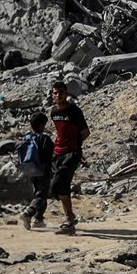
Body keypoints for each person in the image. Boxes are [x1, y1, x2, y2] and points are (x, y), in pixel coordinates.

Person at [49, 81, 89, 235]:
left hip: (71, 153)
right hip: (57, 153)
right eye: (56, 93)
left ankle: (69, 219)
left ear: (66, 94)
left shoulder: (74, 111)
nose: (58, 95)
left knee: (59, 184)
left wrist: (76, 148)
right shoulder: (53, 112)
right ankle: (69, 218)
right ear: (52, 95)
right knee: (59, 186)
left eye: (61, 92)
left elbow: (85, 132)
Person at [17, 111, 54, 230]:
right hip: (43, 170)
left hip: (31, 170)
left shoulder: (27, 138)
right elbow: (52, 154)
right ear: (42, 125)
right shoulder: (44, 139)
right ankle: (28, 213)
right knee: (42, 195)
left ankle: (38, 219)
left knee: (39, 192)